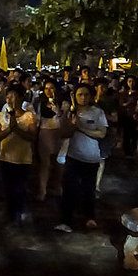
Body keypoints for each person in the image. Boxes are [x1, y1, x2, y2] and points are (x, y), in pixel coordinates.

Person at [56, 84, 108, 233]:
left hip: (91, 157)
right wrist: (69, 122)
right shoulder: (72, 113)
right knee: (69, 188)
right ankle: (65, 220)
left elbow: (102, 133)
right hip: (73, 155)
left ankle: (89, 216)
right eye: (80, 95)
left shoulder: (97, 112)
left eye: (86, 94)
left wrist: (82, 128)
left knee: (88, 189)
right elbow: (64, 133)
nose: (83, 98)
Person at [0, 84, 37, 226]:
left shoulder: (29, 116)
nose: (10, 99)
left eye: (13, 96)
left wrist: (16, 129)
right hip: (6, 157)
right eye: (8, 96)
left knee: (21, 187)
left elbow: (32, 136)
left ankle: (20, 212)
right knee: (8, 187)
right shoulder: (1, 116)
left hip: (23, 158)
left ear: (21, 98)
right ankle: (11, 213)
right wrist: (10, 129)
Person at [35, 79, 67, 201]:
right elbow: (37, 119)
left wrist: (58, 111)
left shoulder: (62, 103)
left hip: (58, 134)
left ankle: (58, 186)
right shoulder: (39, 103)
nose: (49, 91)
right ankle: (42, 190)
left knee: (58, 163)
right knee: (45, 164)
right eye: (46, 88)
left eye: (51, 88)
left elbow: (65, 119)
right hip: (44, 133)